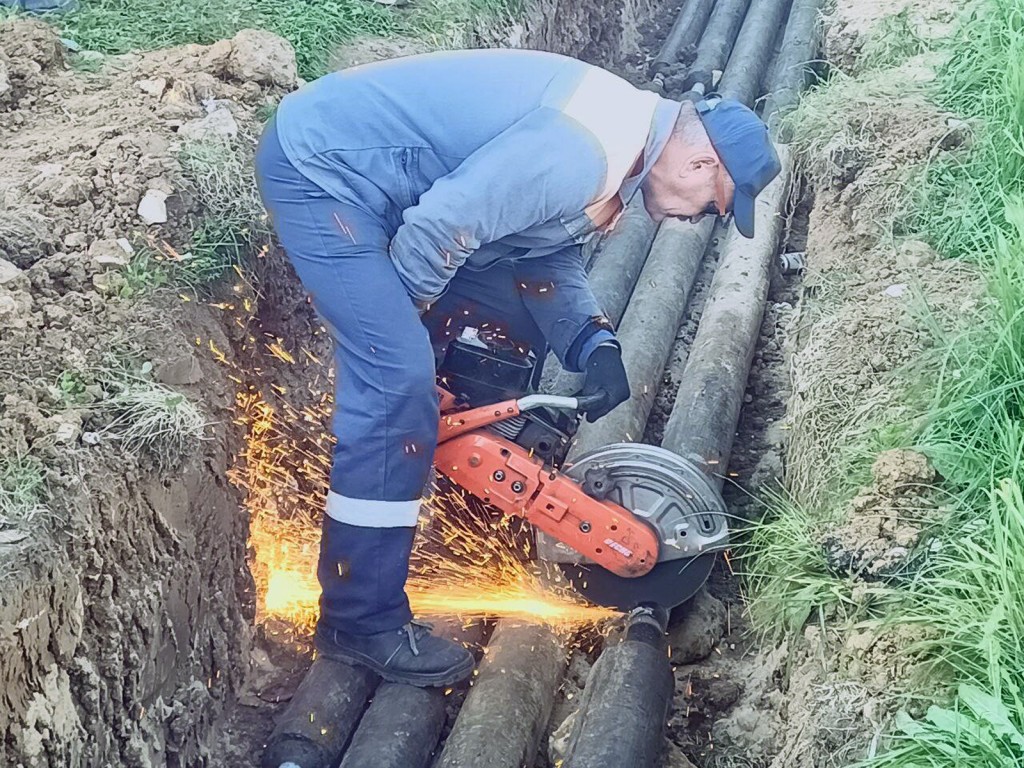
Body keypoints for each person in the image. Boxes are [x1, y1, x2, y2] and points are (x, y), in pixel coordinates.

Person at [255, 48, 780, 687]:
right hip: (325, 172)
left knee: (458, 334)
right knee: (396, 386)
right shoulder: (585, 150)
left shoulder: (622, 152)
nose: (704, 217)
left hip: (384, 182)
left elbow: (537, 256)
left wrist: (591, 340)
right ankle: (358, 620)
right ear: (701, 160)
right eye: (716, 201)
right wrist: (411, 348)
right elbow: (437, 230)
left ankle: (422, 482)